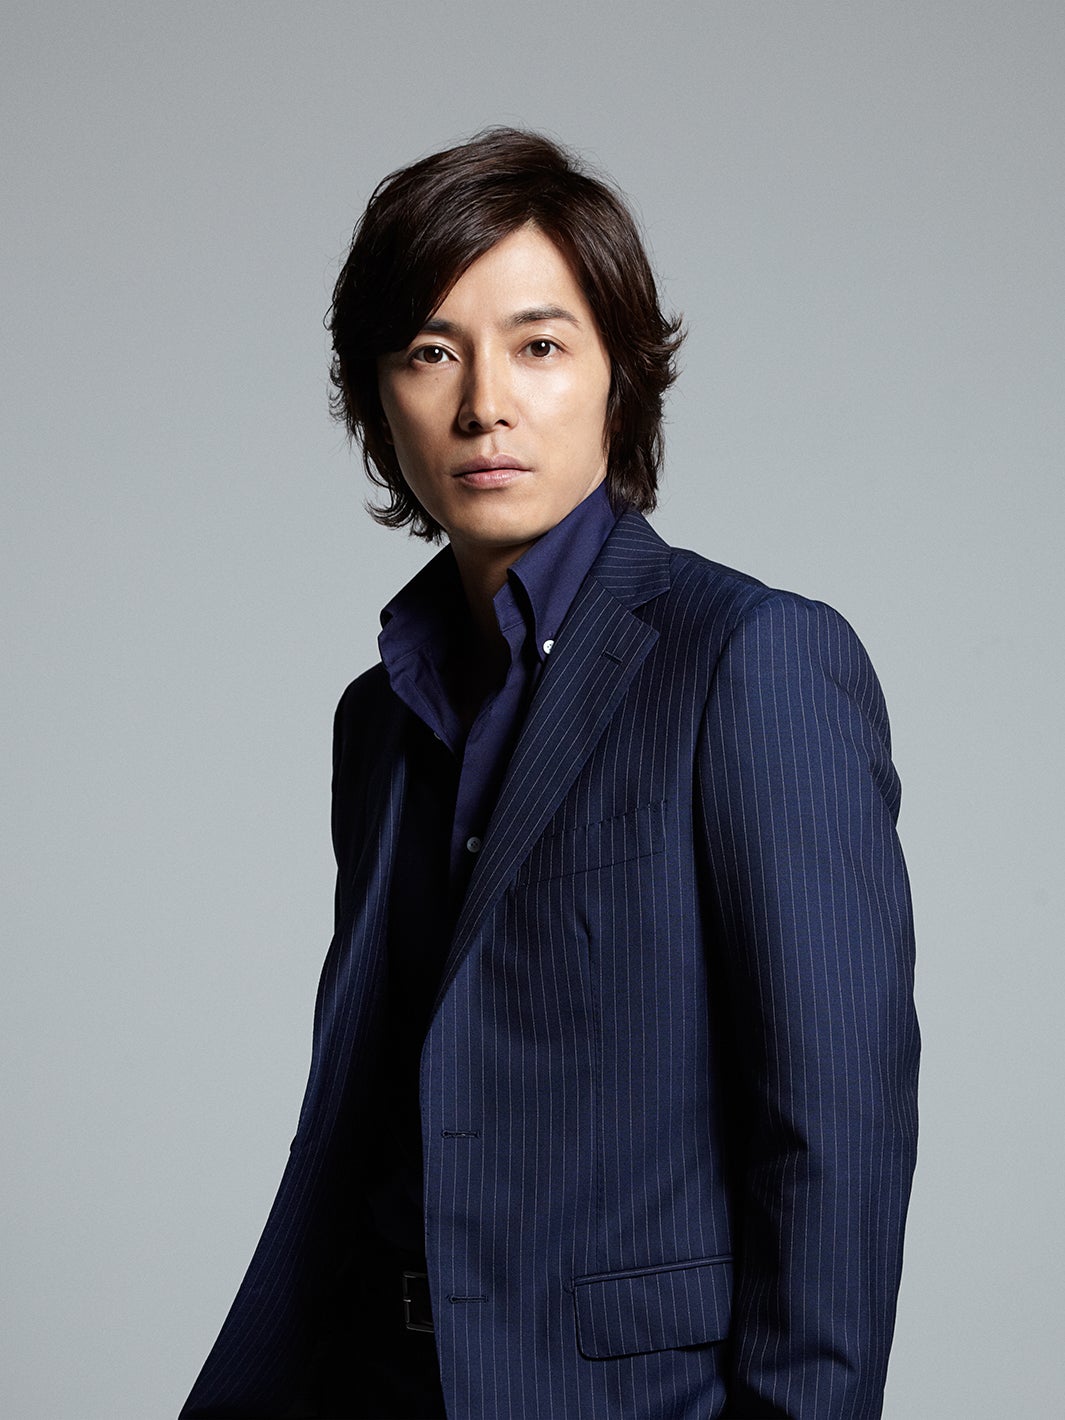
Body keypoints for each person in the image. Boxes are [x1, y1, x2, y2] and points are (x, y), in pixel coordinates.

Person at [180, 128, 919, 1420]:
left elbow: (835, 1132)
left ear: (619, 379)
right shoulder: (378, 720)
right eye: (430, 352)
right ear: (376, 401)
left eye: (537, 346)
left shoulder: (751, 662)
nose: (483, 405)